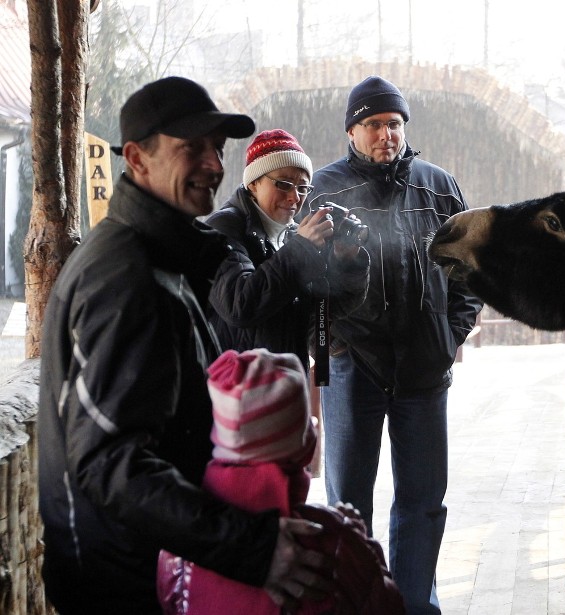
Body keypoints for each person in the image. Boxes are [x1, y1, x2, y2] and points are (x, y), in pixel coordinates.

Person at [38, 76, 334, 615]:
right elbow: (110, 465)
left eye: (217, 150)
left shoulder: (167, 253)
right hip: (120, 582)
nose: (214, 165)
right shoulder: (124, 277)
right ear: (137, 158)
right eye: (190, 148)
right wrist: (253, 548)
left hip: (149, 564)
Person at [305, 75, 483, 614]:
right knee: (348, 505)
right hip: (351, 367)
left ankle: (412, 605)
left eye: (395, 124)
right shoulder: (324, 190)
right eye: (375, 124)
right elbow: (301, 276)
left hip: (424, 371)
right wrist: (327, 349)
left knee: (424, 503)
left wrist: (450, 336)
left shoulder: (438, 188)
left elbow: (471, 272)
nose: (388, 134)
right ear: (352, 131)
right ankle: (358, 604)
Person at [157, 348, 405, 615]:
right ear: (303, 448)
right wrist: (361, 543)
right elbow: (386, 604)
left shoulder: (180, 549)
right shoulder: (332, 541)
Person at [205, 129, 369, 375]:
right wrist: (301, 249)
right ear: (253, 183)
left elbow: (327, 310)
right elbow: (240, 306)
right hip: (237, 390)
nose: (294, 197)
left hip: (286, 383)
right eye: (283, 184)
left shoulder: (295, 234)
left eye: (303, 188)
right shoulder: (223, 228)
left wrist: (345, 261)